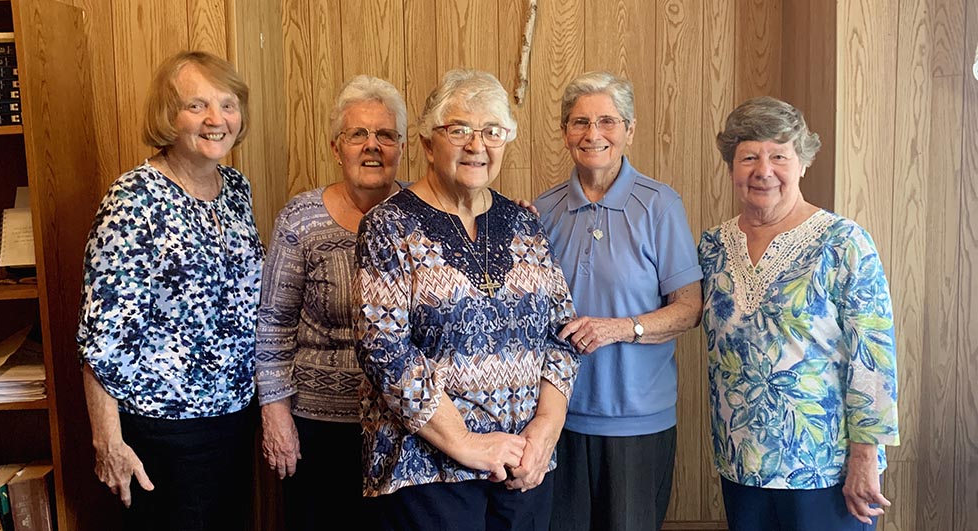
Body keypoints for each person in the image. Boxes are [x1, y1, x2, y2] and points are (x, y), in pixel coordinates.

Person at [354, 69, 581, 530]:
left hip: (523, 466)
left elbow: (563, 333)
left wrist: (544, 433)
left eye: (492, 132)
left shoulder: (524, 223)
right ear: (428, 142)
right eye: (459, 129)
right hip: (426, 472)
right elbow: (383, 349)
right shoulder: (389, 226)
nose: (477, 145)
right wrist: (466, 443)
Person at [77, 51, 263, 531]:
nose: (216, 120)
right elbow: (101, 337)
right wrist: (108, 443)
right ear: (167, 116)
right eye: (196, 105)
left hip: (236, 418)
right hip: (164, 431)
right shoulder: (133, 201)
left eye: (227, 104)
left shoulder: (235, 189)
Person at [698, 96, 899, 530]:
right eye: (748, 156)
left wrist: (866, 455)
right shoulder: (711, 247)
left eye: (779, 156)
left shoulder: (844, 242)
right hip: (740, 463)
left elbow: (874, 358)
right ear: (731, 167)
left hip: (824, 468)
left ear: (803, 162)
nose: (763, 170)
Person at [534, 71, 703, 531]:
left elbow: (690, 307)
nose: (593, 134)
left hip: (636, 423)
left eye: (607, 121)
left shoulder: (660, 205)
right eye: (579, 122)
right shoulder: (541, 211)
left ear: (630, 129)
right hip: (556, 419)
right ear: (565, 132)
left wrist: (620, 327)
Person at [255, 75, 407, 529]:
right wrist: (276, 413)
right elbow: (272, 323)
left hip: (403, 423)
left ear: (402, 147)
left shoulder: (422, 215)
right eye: (357, 134)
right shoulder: (301, 219)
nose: (371, 145)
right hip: (317, 425)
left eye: (385, 134)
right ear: (335, 147)